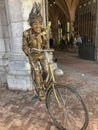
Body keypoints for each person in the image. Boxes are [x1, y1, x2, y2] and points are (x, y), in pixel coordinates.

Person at [22, 2, 50, 100]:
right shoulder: (26, 33)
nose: (38, 26)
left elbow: (46, 44)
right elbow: (24, 46)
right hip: (33, 55)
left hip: (41, 54)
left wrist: (45, 39)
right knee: (37, 71)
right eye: (35, 24)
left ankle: (45, 84)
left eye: (39, 24)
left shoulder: (43, 30)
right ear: (31, 24)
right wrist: (29, 51)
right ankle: (40, 90)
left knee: (46, 70)